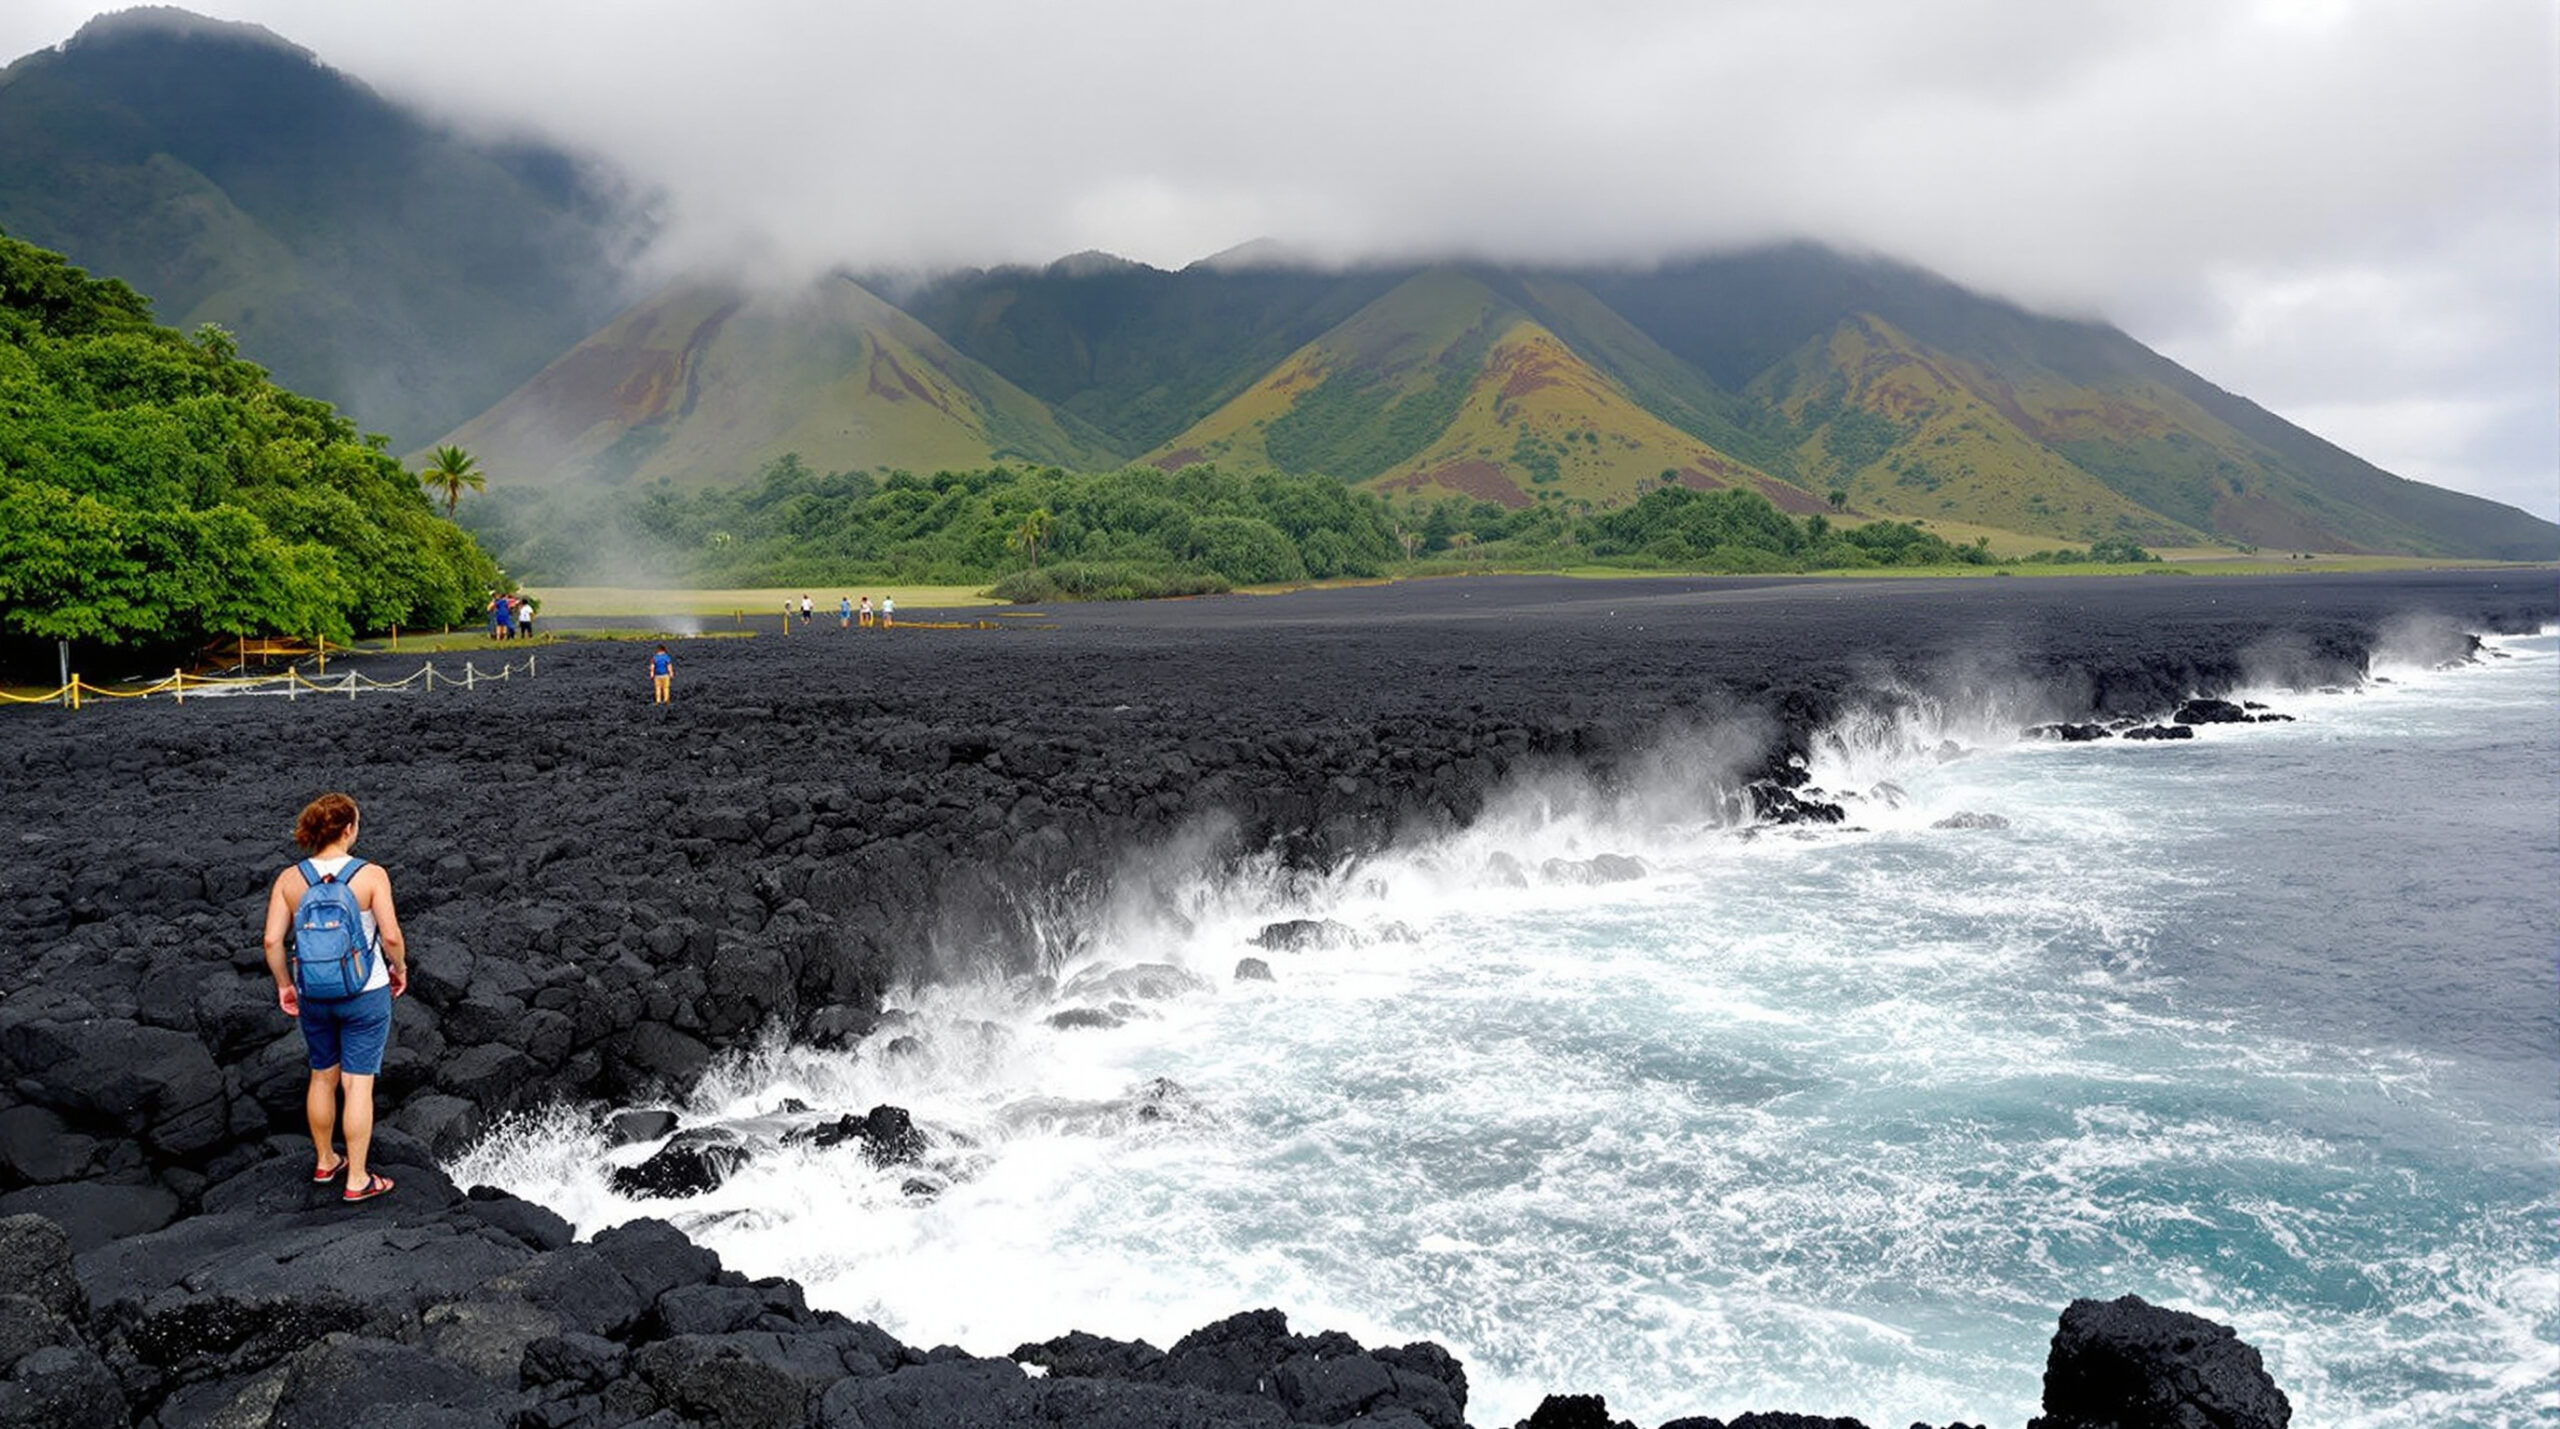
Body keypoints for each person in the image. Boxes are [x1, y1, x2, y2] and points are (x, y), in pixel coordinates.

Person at [262, 792, 408, 1204]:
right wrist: (400, 969)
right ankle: (358, 1179)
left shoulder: (291, 879)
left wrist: (284, 985)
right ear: (347, 830)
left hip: (313, 992)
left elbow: (272, 940)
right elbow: (392, 936)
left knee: (322, 1074)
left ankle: (326, 1160)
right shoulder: (371, 875)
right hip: (366, 991)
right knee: (357, 1083)